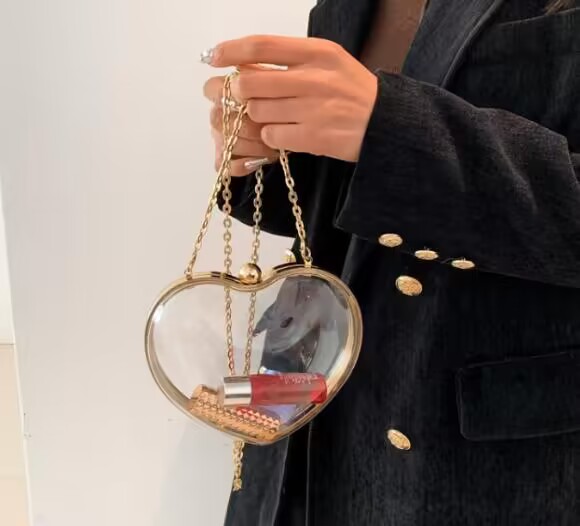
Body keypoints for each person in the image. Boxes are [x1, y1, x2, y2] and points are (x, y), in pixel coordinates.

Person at [202, 0, 580, 524]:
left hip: (486, 458)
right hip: (304, 420)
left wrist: (399, 131)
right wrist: (265, 148)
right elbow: (351, 209)